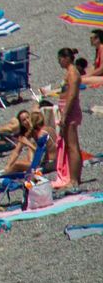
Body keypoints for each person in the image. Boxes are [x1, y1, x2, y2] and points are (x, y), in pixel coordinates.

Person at [57, 47, 85, 189]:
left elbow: (72, 95)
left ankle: (74, 179)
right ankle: (73, 177)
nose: (59, 61)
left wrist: (64, 115)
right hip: (67, 110)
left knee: (73, 145)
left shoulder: (73, 73)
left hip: (70, 111)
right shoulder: (70, 72)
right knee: (70, 145)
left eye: (60, 58)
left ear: (66, 58)